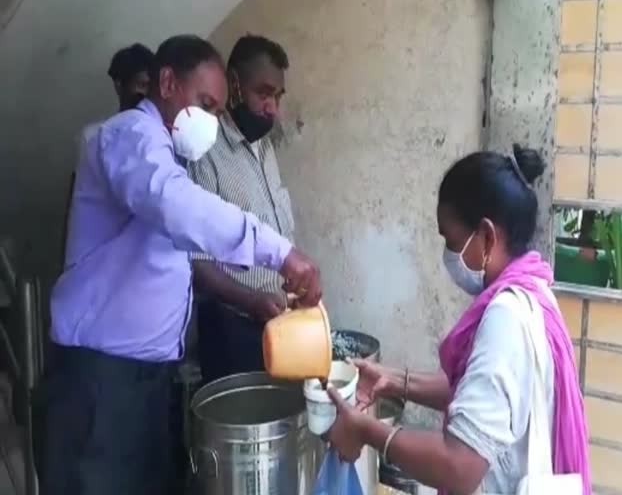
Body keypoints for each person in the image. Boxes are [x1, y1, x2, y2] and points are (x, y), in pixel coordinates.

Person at [34, 34, 321, 495]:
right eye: (204, 105)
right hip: (101, 384)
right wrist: (280, 253)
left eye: (215, 111)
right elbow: (174, 205)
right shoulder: (128, 136)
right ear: (167, 83)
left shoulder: (169, 153)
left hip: (148, 380)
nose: (210, 123)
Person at [324, 148, 591, 494]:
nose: (449, 256)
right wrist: (394, 381)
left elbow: (460, 465)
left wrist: (366, 431)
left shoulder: (506, 320)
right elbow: (483, 394)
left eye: (450, 240)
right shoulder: (534, 291)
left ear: (487, 236)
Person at [187, 34, 298, 383]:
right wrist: (250, 300)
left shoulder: (265, 146)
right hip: (230, 329)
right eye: (263, 93)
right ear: (233, 85)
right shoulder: (204, 149)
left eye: (277, 97)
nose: (271, 108)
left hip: (276, 322)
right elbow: (196, 262)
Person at [65, 44, 156, 260]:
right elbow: (77, 207)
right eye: (141, 84)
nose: (145, 94)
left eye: (151, 87)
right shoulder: (94, 136)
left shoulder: (162, 136)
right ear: (118, 85)